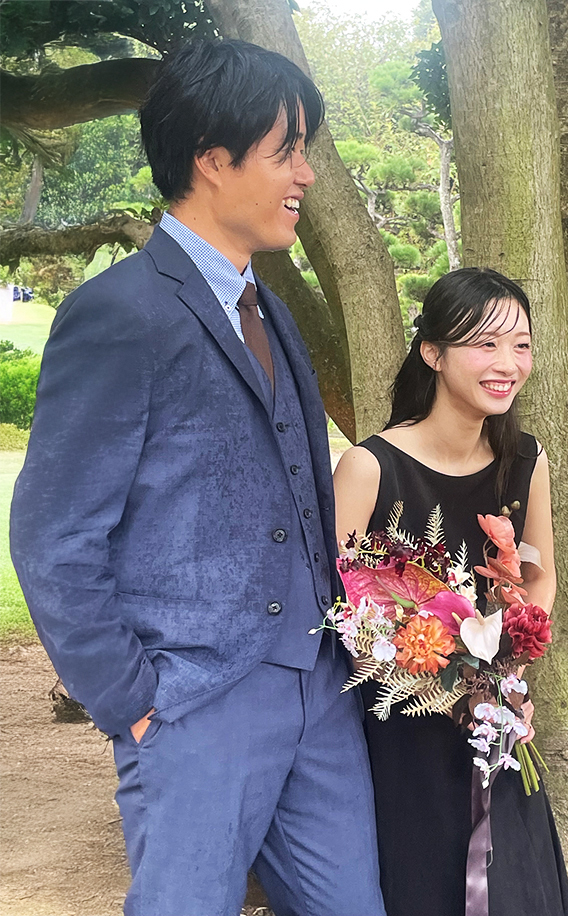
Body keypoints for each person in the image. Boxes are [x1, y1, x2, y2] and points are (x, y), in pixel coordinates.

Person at [10, 39, 385, 916]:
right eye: (287, 151)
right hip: (191, 704)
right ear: (213, 160)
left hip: (319, 689)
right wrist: (133, 702)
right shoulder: (117, 313)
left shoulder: (273, 311)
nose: (306, 174)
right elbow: (54, 537)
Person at [333, 267, 568, 916]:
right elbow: (341, 608)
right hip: (403, 734)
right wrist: (440, 680)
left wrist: (506, 672)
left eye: (521, 345)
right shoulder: (368, 468)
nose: (508, 363)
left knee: (517, 887)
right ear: (433, 353)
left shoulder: (525, 460)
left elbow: (538, 575)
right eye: (486, 344)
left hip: (495, 725)